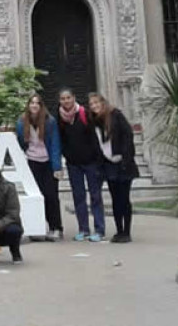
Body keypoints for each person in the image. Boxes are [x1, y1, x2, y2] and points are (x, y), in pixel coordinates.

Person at [56, 88, 106, 242]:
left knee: (95, 196)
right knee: (78, 197)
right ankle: (83, 229)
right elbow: (60, 139)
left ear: (74, 98)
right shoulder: (59, 117)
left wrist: (98, 160)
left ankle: (99, 229)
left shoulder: (85, 114)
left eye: (68, 98)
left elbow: (95, 137)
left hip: (91, 162)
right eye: (63, 98)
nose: (66, 101)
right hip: (73, 164)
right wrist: (66, 155)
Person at [89, 92, 139, 243]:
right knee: (115, 199)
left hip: (123, 163)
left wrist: (126, 158)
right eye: (91, 104)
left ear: (102, 102)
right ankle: (118, 231)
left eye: (96, 103)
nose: (94, 106)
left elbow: (128, 135)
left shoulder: (115, 115)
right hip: (108, 164)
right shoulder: (95, 122)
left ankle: (127, 232)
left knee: (124, 199)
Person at [15, 93, 64, 240]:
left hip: (48, 162)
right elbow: (20, 142)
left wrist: (57, 167)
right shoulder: (22, 122)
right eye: (32, 103)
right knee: (35, 195)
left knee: (51, 195)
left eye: (37, 103)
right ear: (28, 105)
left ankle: (56, 227)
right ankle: (38, 228)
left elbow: (55, 144)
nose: (34, 105)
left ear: (41, 106)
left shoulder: (50, 121)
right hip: (32, 161)